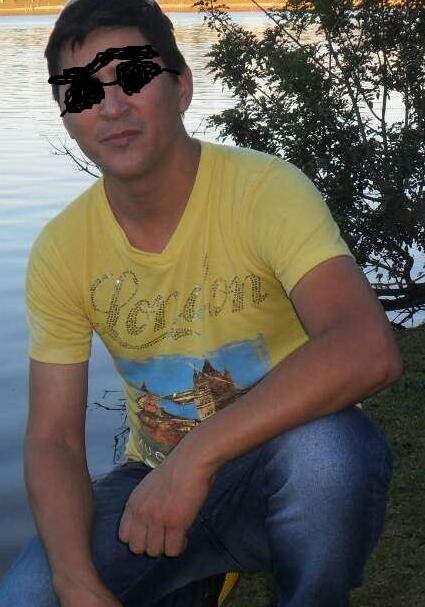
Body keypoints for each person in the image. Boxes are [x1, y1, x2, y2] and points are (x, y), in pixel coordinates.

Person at [0, 0, 403, 605]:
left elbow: (367, 348)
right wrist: (74, 580)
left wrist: (195, 460)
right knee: (29, 595)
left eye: (132, 75)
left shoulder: (264, 191)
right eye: (81, 91)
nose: (110, 105)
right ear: (66, 116)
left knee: (328, 455)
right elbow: (53, 440)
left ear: (182, 86)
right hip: (152, 481)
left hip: (281, 464)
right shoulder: (62, 250)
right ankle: (193, 577)